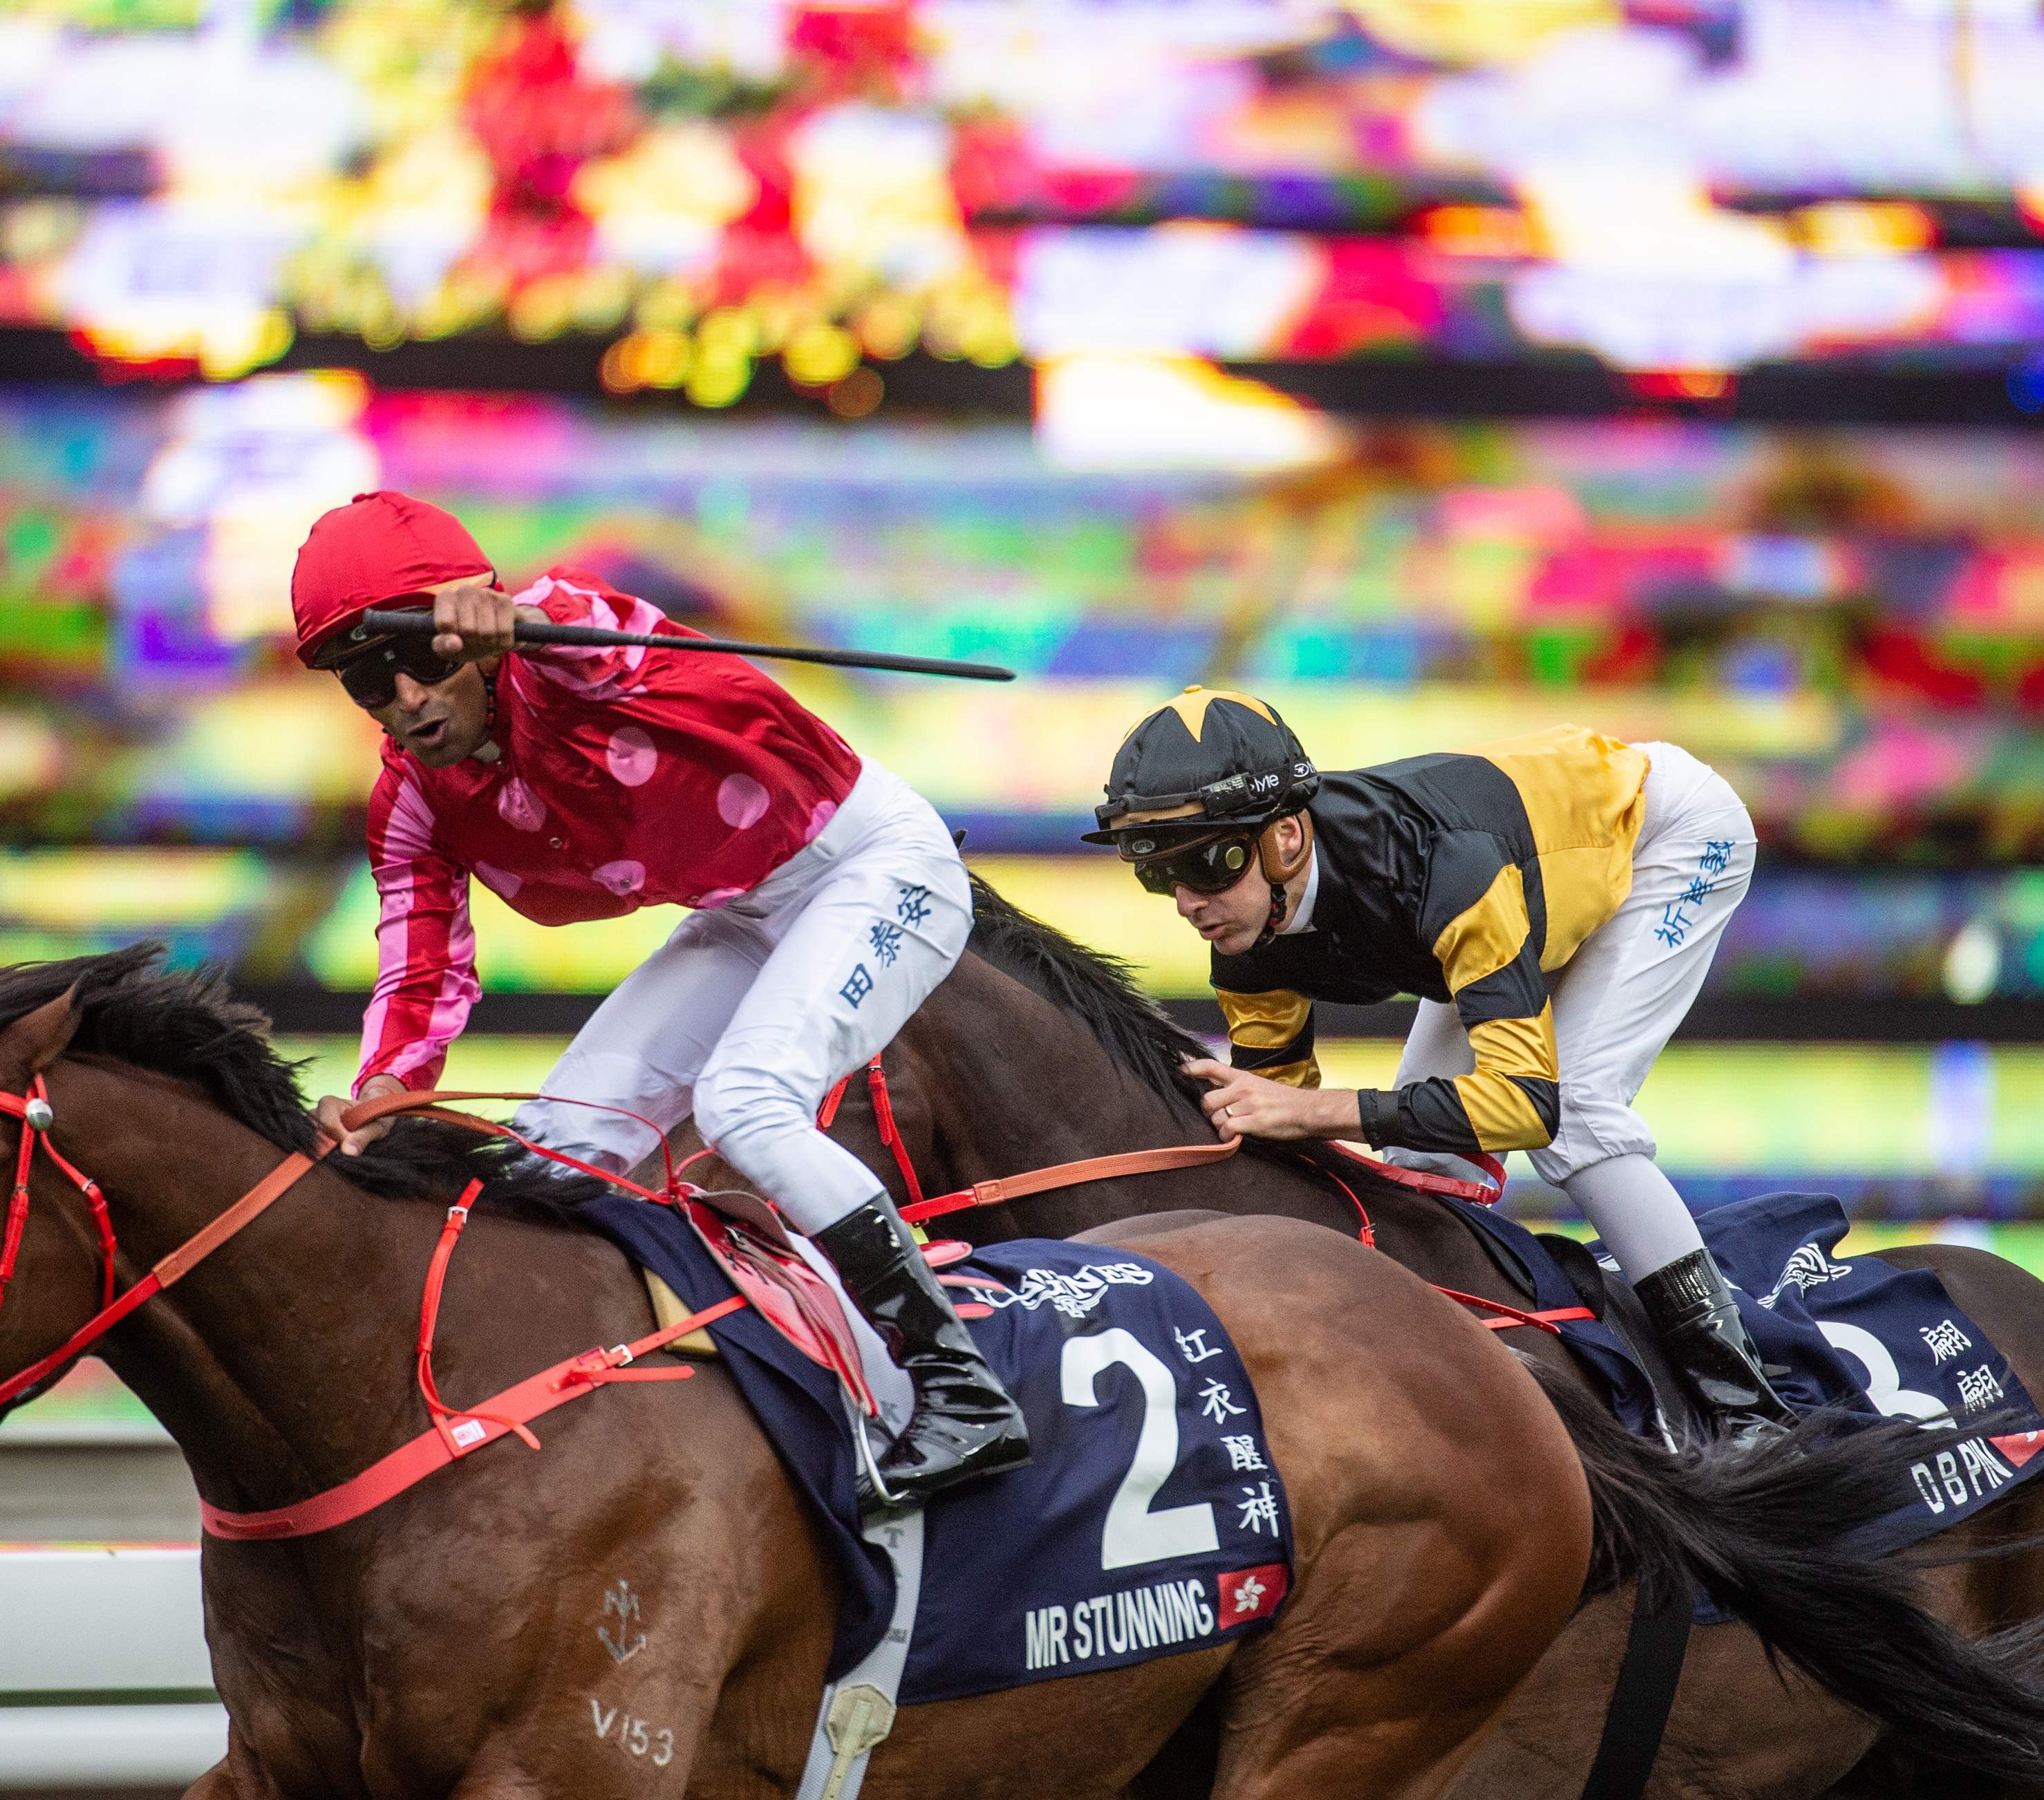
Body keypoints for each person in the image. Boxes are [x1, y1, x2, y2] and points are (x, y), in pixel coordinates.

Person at [288, 489, 1027, 1504]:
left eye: (428, 656)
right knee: (551, 1150)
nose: (410, 697)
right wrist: (379, 1091)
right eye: (371, 678)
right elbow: (421, 968)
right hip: (741, 910)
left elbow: (598, 634)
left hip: (875, 864)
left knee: (745, 1102)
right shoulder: (411, 799)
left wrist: (525, 617)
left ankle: (958, 1390)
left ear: (483, 624)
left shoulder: (569, 644)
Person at [1083, 686, 1792, 1443]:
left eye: (1208, 864)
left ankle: (1749, 1410)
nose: (1188, 903)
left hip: (1666, 839)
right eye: (1158, 875)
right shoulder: (1250, 937)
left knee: (1577, 1117)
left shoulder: (1445, 871)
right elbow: (1276, 1143)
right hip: (1524, 880)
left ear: (1285, 838)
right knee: (1419, 1154)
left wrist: (1319, 1111)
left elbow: (1525, 1108)